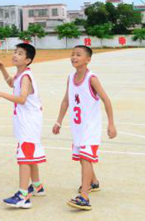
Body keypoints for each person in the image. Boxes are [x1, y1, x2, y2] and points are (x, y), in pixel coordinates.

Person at [52, 45, 117, 211]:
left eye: (78, 55)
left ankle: (84, 196)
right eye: (72, 54)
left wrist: (111, 124)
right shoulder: (70, 77)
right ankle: (93, 183)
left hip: (91, 127)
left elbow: (106, 100)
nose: (74, 57)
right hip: (78, 127)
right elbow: (66, 100)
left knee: (86, 158)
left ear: (88, 59)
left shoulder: (91, 78)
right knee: (82, 158)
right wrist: (58, 121)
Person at [0, 43, 46, 209]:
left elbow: (21, 99)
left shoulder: (26, 76)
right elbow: (12, 83)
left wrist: (0, 94)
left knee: (24, 156)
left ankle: (23, 195)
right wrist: (2, 70)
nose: (15, 55)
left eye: (19, 54)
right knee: (29, 154)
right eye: (15, 52)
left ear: (27, 60)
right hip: (26, 119)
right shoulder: (20, 74)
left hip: (29, 121)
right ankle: (37, 186)